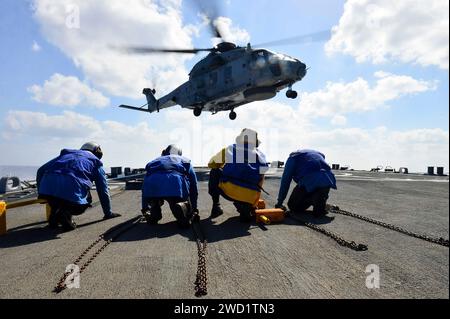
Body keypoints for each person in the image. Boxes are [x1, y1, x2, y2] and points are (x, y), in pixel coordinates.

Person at [36, 142, 120, 231]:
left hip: (47, 190)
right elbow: (103, 190)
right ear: (97, 152)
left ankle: (54, 219)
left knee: (57, 197)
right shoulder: (96, 162)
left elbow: (40, 170)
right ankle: (66, 214)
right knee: (85, 199)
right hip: (71, 190)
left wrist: (41, 192)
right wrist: (108, 213)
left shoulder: (66, 154)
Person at [208, 128, 269, 222]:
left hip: (229, 191)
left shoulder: (231, 148)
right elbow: (261, 179)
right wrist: (254, 203)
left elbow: (211, 164)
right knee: (251, 183)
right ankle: (246, 206)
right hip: (251, 195)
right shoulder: (261, 156)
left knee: (214, 171)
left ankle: (216, 206)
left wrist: (226, 165)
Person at [141, 145, 198, 229]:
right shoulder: (184, 160)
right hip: (175, 184)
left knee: (154, 200)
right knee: (176, 202)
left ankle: (153, 211)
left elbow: (144, 186)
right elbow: (193, 186)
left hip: (152, 185)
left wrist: (145, 209)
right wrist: (194, 209)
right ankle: (181, 208)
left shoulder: (155, 161)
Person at [275, 149, 337, 217]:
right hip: (328, 178)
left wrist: (279, 203)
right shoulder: (319, 154)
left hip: (309, 179)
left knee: (293, 206)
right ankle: (320, 203)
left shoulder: (292, 158)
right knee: (318, 212)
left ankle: (314, 200)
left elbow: (285, 181)